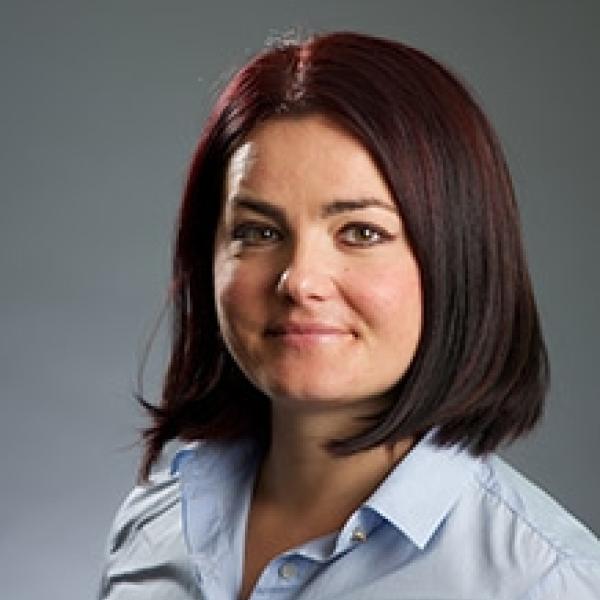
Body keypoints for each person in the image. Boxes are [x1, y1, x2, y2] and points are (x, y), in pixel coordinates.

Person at [98, 31, 600, 599]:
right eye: (259, 232)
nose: (300, 280)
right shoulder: (156, 519)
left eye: (361, 233)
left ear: (460, 260)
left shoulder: (547, 583)